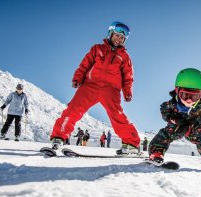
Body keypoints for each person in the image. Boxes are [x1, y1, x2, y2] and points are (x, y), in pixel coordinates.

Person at [49, 21, 139, 154]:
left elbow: (128, 77)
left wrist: (127, 92)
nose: (119, 39)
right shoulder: (97, 49)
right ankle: (58, 137)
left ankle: (131, 143)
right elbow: (85, 64)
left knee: (117, 115)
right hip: (90, 85)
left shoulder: (124, 57)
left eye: (122, 38)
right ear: (110, 34)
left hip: (111, 90)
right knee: (73, 109)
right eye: (117, 35)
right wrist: (77, 78)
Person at [148, 68, 201, 171]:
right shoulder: (170, 105)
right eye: (185, 95)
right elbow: (164, 111)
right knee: (165, 133)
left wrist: (194, 122)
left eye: (194, 96)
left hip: (191, 129)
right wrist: (172, 119)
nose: (189, 100)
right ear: (177, 91)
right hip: (176, 126)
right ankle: (156, 153)